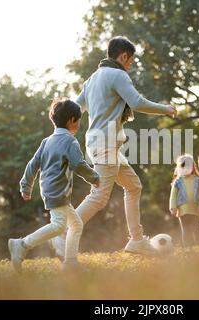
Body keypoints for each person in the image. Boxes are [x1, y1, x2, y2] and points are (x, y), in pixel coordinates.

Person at [50, 36, 177, 257]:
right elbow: (137, 102)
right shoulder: (118, 75)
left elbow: (76, 108)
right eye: (131, 62)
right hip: (105, 144)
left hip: (100, 144)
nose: (130, 66)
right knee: (98, 197)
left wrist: (59, 126)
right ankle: (61, 235)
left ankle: (136, 240)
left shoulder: (92, 79)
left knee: (133, 186)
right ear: (123, 56)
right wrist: (165, 108)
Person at [8, 99, 100, 272]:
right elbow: (78, 164)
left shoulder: (47, 141)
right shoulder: (70, 141)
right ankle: (22, 244)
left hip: (50, 189)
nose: (80, 123)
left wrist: (25, 186)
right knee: (58, 225)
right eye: (79, 120)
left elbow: (32, 164)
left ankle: (70, 262)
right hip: (58, 190)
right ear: (72, 120)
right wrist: (94, 177)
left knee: (76, 224)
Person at [169, 154, 199, 246]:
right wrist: (173, 207)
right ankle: (188, 249)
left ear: (193, 167)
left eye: (187, 166)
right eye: (182, 166)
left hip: (195, 209)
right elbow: (173, 195)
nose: (185, 169)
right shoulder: (177, 182)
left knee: (196, 228)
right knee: (186, 230)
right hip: (183, 210)